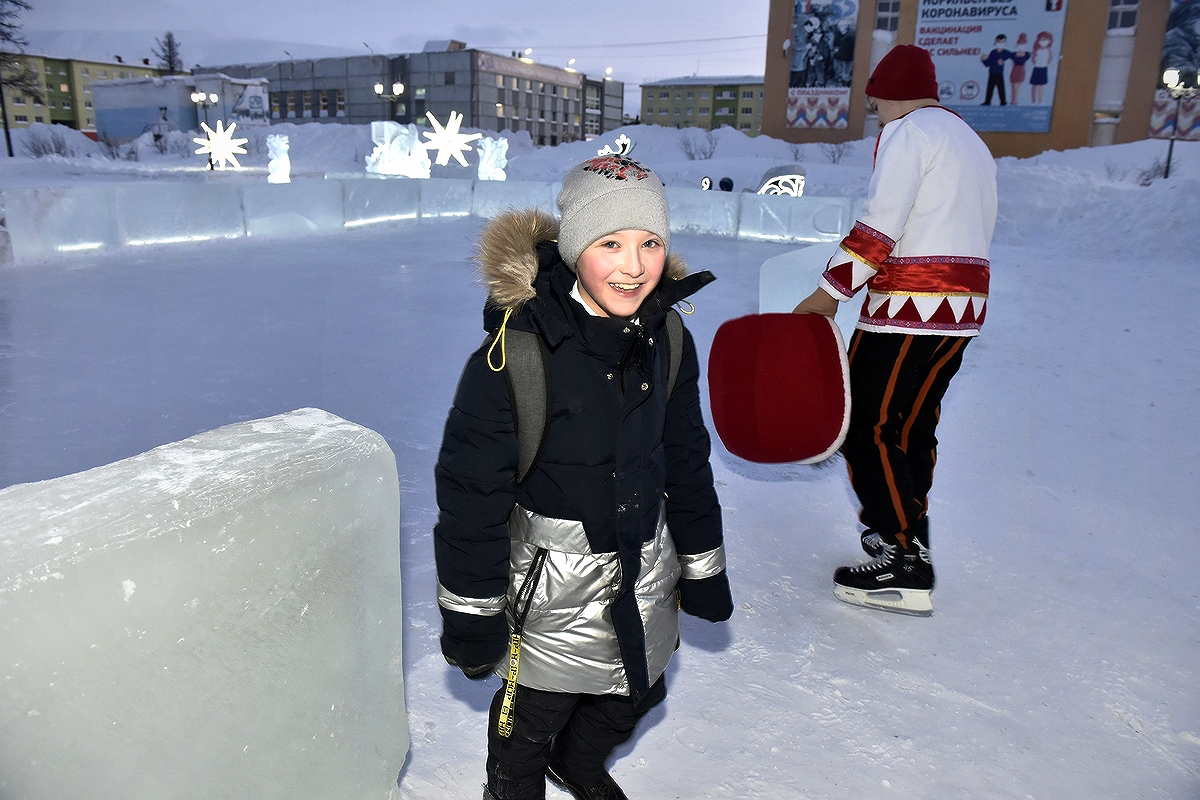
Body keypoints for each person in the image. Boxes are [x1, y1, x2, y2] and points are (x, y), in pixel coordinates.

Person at [434, 155, 733, 800]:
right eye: (610, 244)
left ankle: (577, 760)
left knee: (636, 690)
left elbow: (685, 456)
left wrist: (704, 565)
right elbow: (470, 495)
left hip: (643, 565)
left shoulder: (669, 338)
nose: (634, 265)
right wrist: (471, 609)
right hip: (548, 587)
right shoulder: (516, 356)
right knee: (526, 727)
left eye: (650, 242)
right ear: (574, 251)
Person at [792, 45, 997, 616]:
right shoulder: (969, 140)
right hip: (964, 310)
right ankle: (908, 533)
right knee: (913, 425)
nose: (876, 108)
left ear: (889, 91)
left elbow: (880, 227)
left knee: (868, 424)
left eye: (876, 98)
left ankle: (902, 559)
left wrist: (828, 293)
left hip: (910, 307)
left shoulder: (909, 133)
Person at [980, 34, 1013, 105]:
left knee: (1001, 88)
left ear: (1005, 43)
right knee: (990, 88)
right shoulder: (993, 52)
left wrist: (1003, 60)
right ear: (995, 42)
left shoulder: (1006, 53)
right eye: (998, 42)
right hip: (992, 73)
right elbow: (988, 64)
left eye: (1002, 42)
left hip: (999, 73)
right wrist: (984, 60)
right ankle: (987, 101)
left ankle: (1003, 102)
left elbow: (1013, 56)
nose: (1000, 44)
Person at [1008, 33, 1031, 105]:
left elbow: (1024, 60)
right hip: (1015, 71)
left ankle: (1015, 101)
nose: (1021, 46)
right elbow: (1014, 61)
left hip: (1021, 71)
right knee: (1013, 87)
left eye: (1023, 44)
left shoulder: (1027, 54)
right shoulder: (1013, 54)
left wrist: (1021, 55)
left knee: (1018, 88)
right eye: (1020, 44)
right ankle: (1012, 101)